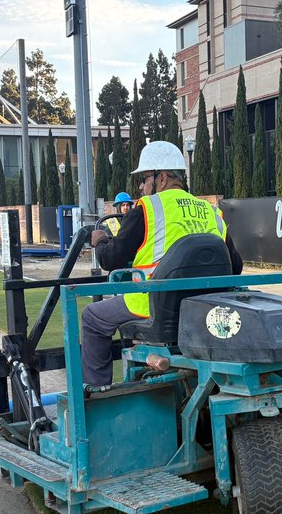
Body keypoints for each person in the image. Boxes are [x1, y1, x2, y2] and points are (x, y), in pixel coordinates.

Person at [83, 141, 242, 386]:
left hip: (153, 307)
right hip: (207, 311)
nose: (142, 186)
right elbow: (236, 267)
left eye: (145, 178)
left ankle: (95, 391)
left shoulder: (147, 209)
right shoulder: (212, 212)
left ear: (163, 178)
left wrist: (101, 240)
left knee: (92, 317)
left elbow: (111, 259)